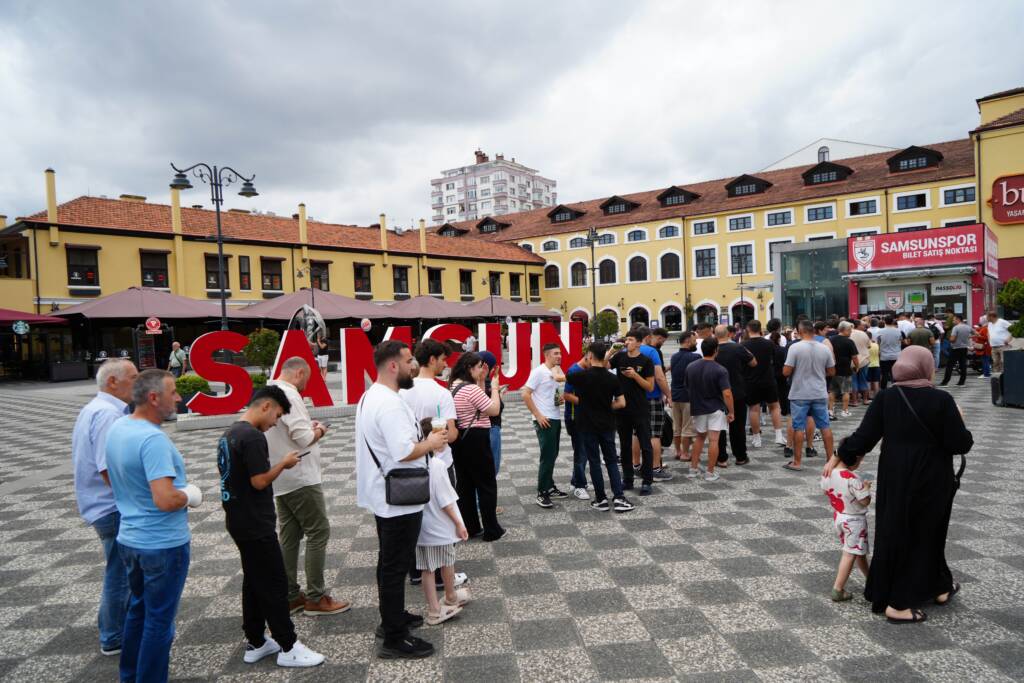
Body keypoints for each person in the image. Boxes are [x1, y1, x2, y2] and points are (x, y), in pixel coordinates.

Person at [834, 346, 973, 623]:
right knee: (928, 532)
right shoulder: (941, 400)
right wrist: (960, 419)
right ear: (926, 366)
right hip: (932, 477)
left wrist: (840, 455)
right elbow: (961, 444)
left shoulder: (887, 397)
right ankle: (898, 604)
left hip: (896, 476)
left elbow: (864, 438)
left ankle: (940, 586)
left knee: (896, 531)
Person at [104, 369, 202, 683]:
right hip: (161, 544)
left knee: (138, 610)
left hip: (130, 539)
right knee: (159, 623)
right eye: (173, 392)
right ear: (153, 397)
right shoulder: (152, 439)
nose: (178, 398)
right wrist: (190, 495)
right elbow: (164, 499)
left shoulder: (119, 427)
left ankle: (129, 676)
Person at [217, 387, 325, 667]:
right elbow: (259, 481)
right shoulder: (252, 437)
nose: (275, 422)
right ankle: (288, 646)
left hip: (238, 519)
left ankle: (256, 641)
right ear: (266, 406)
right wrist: (285, 463)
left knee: (254, 581)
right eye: (277, 415)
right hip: (255, 523)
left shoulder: (230, 433)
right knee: (275, 584)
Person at [356, 340, 448, 659]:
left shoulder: (373, 395)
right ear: (393, 366)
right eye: (409, 361)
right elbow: (403, 451)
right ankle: (394, 638)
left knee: (388, 562)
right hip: (398, 498)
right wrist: (432, 441)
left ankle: (391, 619)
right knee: (394, 567)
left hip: (385, 494)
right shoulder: (390, 403)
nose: (414, 366)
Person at [266, 358, 349, 616]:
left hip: (281, 476)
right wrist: (321, 429)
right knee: (318, 531)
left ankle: (290, 595)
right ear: (299, 373)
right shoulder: (289, 394)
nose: (306, 385)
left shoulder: (269, 390)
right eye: (307, 379)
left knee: (290, 537)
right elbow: (303, 438)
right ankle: (316, 596)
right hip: (301, 475)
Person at [71, 359, 138, 657]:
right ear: (113, 381)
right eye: (133, 377)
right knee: (120, 572)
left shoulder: (95, 409)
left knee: (118, 569)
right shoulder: (109, 414)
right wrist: (139, 502)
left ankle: (113, 629)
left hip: (101, 505)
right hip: (111, 507)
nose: (138, 382)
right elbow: (108, 469)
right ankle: (114, 635)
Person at [400, 339, 469, 588]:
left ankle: (416, 571)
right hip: (439, 462)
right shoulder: (441, 392)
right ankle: (443, 575)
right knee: (443, 516)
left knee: (413, 516)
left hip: (410, 462)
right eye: (443, 359)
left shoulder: (402, 390)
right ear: (432, 360)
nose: (446, 364)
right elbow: (450, 434)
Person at [569, 341, 634, 512]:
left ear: (590, 356)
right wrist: (606, 406)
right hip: (607, 424)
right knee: (611, 460)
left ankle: (601, 499)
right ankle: (619, 497)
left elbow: (562, 376)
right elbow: (621, 403)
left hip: (587, 425)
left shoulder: (580, 376)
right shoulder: (612, 378)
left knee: (594, 462)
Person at [449, 352, 504, 538]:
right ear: (469, 368)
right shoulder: (469, 389)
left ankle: (471, 527)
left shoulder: (454, 386)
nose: (482, 370)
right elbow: (493, 409)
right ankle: (492, 529)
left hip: (460, 440)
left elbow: (477, 403)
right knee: (487, 483)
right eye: (479, 366)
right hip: (476, 438)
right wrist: (495, 388)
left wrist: (481, 380)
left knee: (466, 485)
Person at [415, 453, 470, 626]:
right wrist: (459, 523)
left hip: (422, 524)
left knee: (430, 566)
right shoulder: (437, 464)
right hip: (441, 524)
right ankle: (438, 607)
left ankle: (445, 599)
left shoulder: (412, 462)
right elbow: (445, 499)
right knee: (443, 562)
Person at [782, 320, 835, 471]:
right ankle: (830, 459)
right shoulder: (824, 348)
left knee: (798, 427)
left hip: (800, 392)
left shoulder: (795, 348)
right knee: (825, 426)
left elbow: (786, 371)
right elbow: (832, 371)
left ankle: (797, 462)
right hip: (819, 391)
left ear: (800, 331)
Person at [821, 450, 871, 602]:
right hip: (854, 521)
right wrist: (866, 488)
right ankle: (838, 589)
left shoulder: (828, 472)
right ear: (854, 459)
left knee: (857, 551)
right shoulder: (853, 478)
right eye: (860, 461)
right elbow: (865, 501)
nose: (859, 464)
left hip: (839, 517)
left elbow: (825, 491)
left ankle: (871, 579)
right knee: (849, 554)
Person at [610, 330, 656, 494]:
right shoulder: (620, 357)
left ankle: (647, 481)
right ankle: (627, 479)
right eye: (626, 339)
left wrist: (635, 375)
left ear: (638, 343)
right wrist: (612, 351)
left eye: (630, 340)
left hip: (640, 408)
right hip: (622, 408)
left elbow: (650, 387)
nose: (627, 342)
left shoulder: (646, 361)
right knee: (625, 445)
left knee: (645, 445)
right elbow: (603, 365)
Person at [523, 343, 567, 507]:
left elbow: (550, 393)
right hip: (545, 419)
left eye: (560, 353)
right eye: (556, 354)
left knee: (553, 454)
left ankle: (549, 486)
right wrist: (538, 415)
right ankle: (542, 492)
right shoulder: (539, 372)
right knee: (547, 456)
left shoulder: (555, 371)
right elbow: (525, 394)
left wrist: (559, 399)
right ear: (547, 355)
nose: (559, 356)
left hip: (554, 416)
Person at [685, 336, 733, 482]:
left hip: (698, 407)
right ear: (716, 350)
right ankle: (710, 472)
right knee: (714, 440)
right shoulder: (720, 369)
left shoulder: (691, 367)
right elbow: (727, 393)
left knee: (699, 437)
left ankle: (693, 469)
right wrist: (731, 411)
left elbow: (687, 386)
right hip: (716, 407)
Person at [713, 324, 755, 467]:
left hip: (717, 392)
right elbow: (753, 362)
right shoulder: (737, 348)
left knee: (718, 426)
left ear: (714, 335)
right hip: (737, 390)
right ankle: (740, 456)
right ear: (729, 334)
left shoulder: (713, 349)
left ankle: (721, 458)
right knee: (737, 426)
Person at [741, 320, 785, 448]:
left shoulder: (743, 344)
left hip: (751, 381)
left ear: (748, 329)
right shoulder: (769, 344)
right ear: (760, 328)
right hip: (768, 379)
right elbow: (775, 360)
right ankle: (778, 436)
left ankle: (757, 438)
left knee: (754, 409)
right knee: (775, 407)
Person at [640, 328, 674, 481]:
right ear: (648, 337)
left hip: (636, 398)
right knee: (655, 434)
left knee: (636, 433)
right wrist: (668, 394)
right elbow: (659, 377)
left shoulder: (629, 350)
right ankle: (655, 468)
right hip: (652, 396)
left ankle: (636, 465)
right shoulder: (651, 352)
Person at [669, 331, 701, 461]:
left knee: (677, 426)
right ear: (687, 341)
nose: (695, 344)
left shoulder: (674, 357)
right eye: (694, 341)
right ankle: (685, 453)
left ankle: (677, 451)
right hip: (688, 396)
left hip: (675, 395)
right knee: (687, 427)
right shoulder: (696, 357)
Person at [562, 352, 590, 500]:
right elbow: (566, 395)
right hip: (574, 418)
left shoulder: (585, 369)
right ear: (588, 356)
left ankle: (576, 480)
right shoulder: (574, 371)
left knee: (583, 451)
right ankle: (579, 485)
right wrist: (588, 403)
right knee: (581, 452)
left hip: (583, 418)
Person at [829, 321, 860, 419]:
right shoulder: (849, 341)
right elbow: (854, 357)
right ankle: (845, 410)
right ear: (845, 330)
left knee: (832, 391)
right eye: (850, 330)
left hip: (832, 368)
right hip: (845, 369)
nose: (851, 332)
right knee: (846, 391)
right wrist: (857, 366)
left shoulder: (831, 339)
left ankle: (830, 410)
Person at [940, 314, 973, 386]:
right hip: (964, 348)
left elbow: (952, 339)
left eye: (954, 320)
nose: (953, 321)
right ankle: (962, 381)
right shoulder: (968, 327)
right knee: (963, 365)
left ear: (958, 319)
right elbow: (976, 334)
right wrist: (967, 337)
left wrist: (949, 339)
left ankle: (945, 381)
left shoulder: (956, 328)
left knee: (949, 365)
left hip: (955, 348)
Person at [876, 316, 904, 389]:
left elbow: (878, 343)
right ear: (892, 322)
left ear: (885, 322)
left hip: (884, 356)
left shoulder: (880, 331)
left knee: (884, 374)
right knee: (895, 373)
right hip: (896, 355)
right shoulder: (898, 331)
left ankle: (883, 390)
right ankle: (896, 388)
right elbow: (901, 341)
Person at [849, 320, 872, 407]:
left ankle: (854, 401)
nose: (864, 327)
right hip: (864, 360)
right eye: (863, 325)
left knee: (853, 381)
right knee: (864, 380)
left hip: (852, 361)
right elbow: (869, 346)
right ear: (857, 325)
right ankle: (865, 400)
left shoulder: (849, 334)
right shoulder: (864, 334)